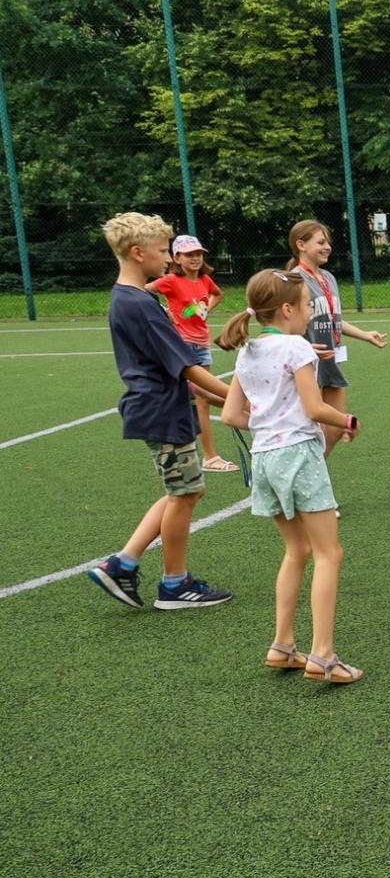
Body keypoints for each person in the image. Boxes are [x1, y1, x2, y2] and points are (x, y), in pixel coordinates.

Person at [217, 269, 363, 683]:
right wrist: (348, 420)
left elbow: (230, 415)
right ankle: (323, 656)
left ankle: (282, 645)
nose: (307, 313)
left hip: (264, 459)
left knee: (296, 550)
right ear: (287, 309)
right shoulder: (297, 347)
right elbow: (316, 409)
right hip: (299, 455)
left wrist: (269, 425)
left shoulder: (247, 349)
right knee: (328, 554)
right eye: (304, 306)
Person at [86, 213, 235, 611]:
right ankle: (173, 585)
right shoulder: (141, 305)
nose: (169, 258)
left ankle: (123, 562)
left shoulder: (130, 299)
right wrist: (239, 400)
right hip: (161, 411)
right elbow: (187, 366)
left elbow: (176, 369)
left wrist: (222, 400)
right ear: (137, 253)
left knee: (183, 491)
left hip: (161, 405)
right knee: (186, 492)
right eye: (163, 250)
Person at [286, 219, 388, 459]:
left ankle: (310, 483)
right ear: (301, 245)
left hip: (330, 361)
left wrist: (365, 335)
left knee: (333, 431)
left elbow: (332, 319)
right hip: (305, 364)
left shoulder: (328, 278)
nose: (327, 246)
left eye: (328, 242)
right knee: (305, 431)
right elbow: (281, 322)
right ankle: (303, 485)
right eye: (320, 242)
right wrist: (302, 347)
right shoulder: (293, 280)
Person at [145, 233, 236, 473]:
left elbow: (217, 294)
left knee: (201, 399)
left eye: (198, 254)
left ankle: (206, 455)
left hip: (202, 345)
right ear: (177, 257)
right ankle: (209, 456)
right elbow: (142, 290)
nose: (195, 258)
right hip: (182, 345)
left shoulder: (205, 280)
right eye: (189, 254)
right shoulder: (170, 281)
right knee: (198, 397)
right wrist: (165, 311)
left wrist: (206, 309)